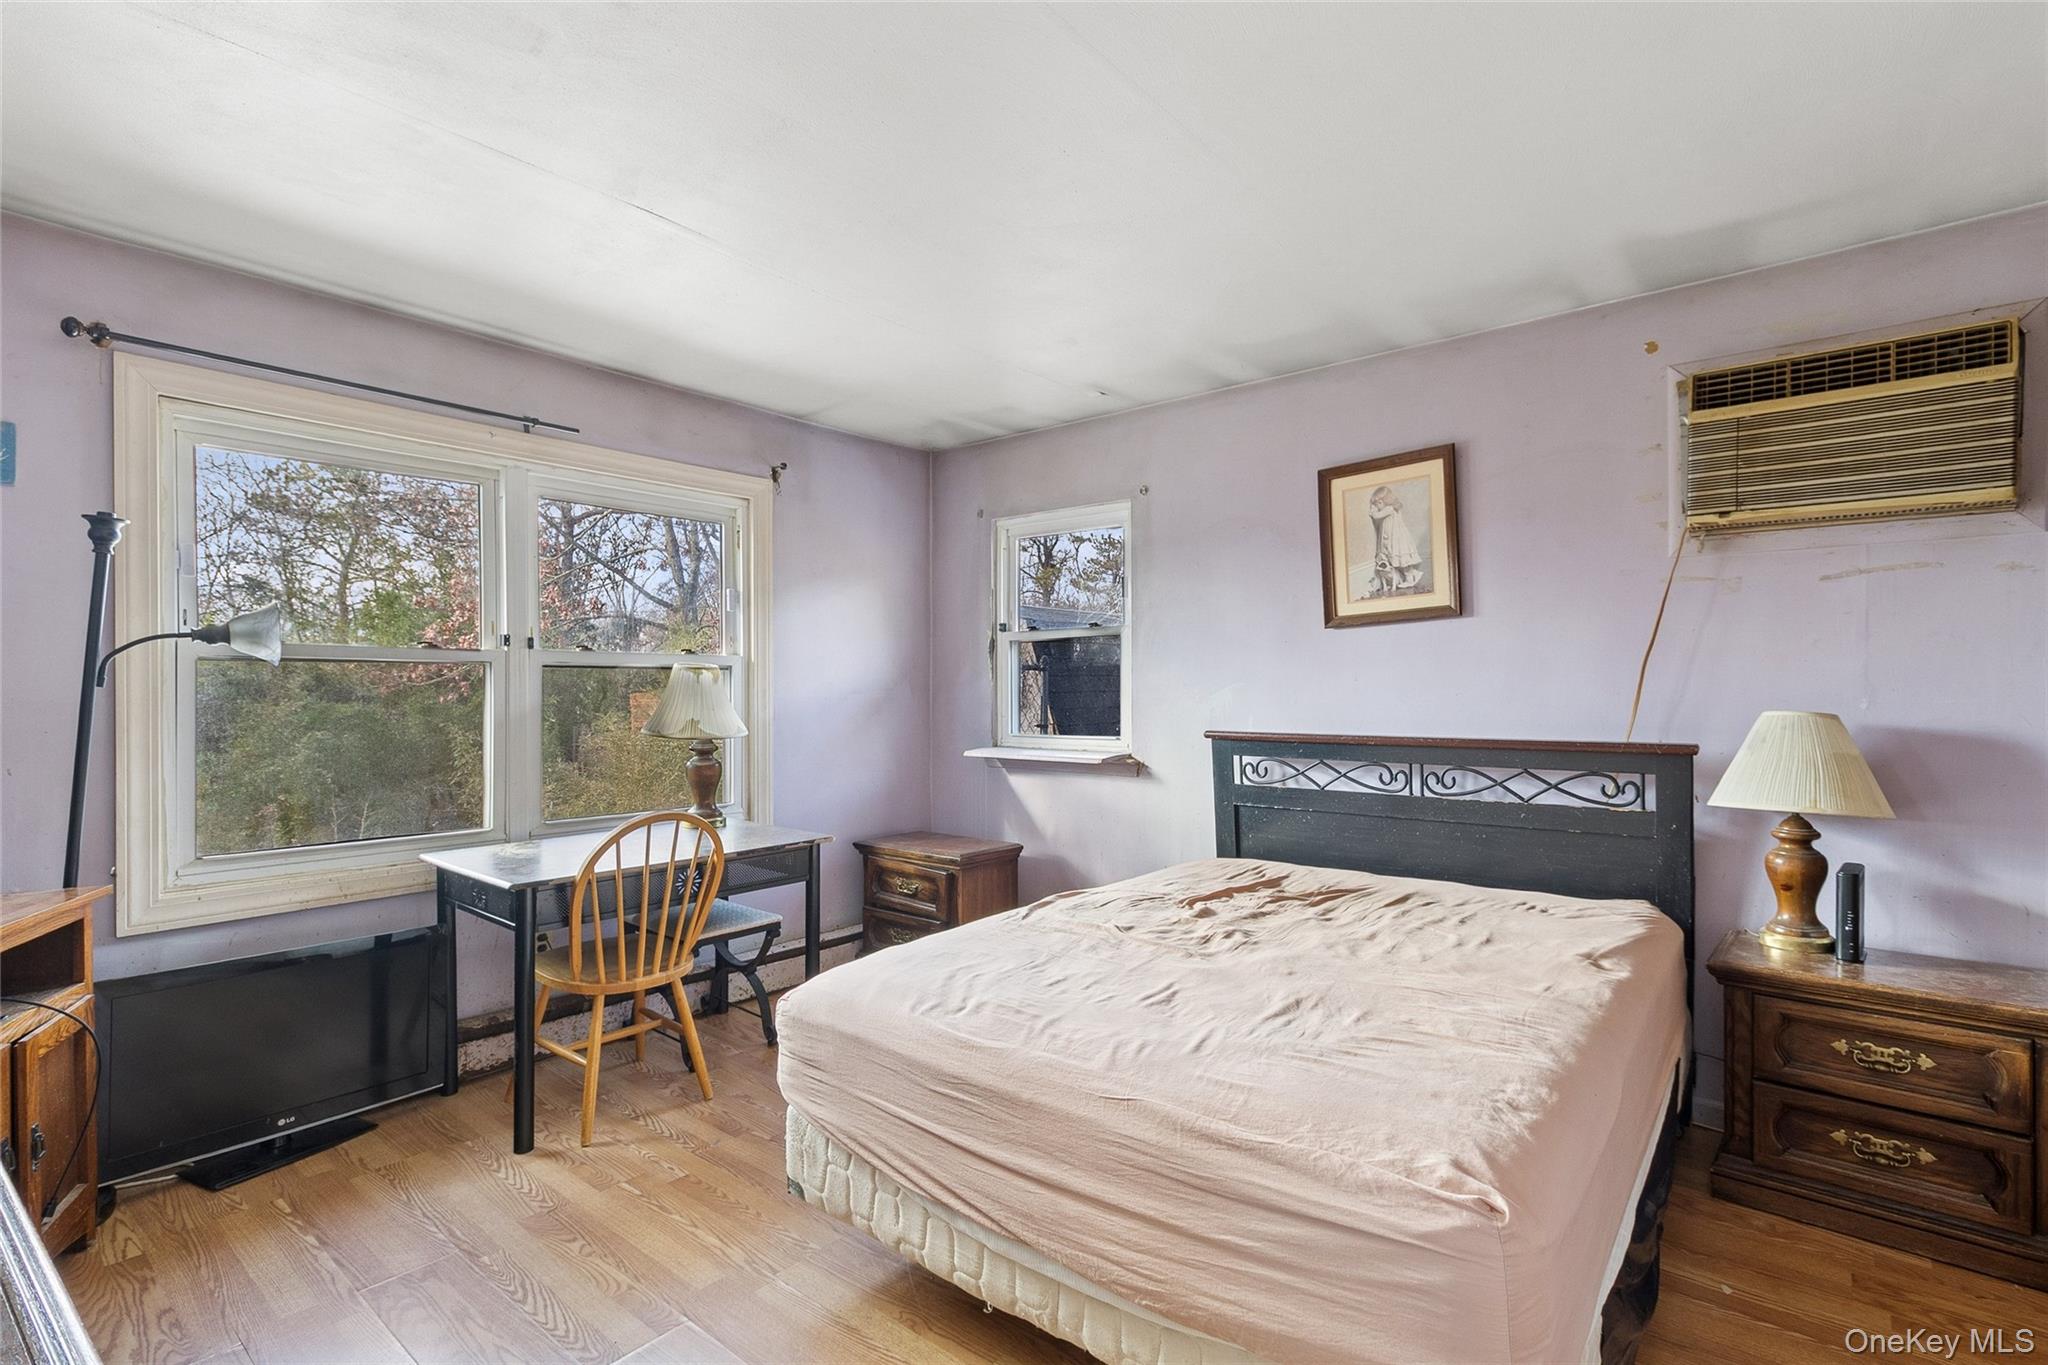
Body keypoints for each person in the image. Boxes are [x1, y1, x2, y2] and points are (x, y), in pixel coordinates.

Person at [1368, 485, 1424, 592]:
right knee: (1398, 561)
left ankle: (1410, 578)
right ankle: (1407, 577)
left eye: (1378, 503)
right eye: (1375, 504)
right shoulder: (1389, 509)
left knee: (1404, 561)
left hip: (1397, 539)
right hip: (1392, 538)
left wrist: (1372, 511)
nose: (1377, 506)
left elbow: (1376, 516)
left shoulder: (1390, 509)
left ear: (1385, 501)